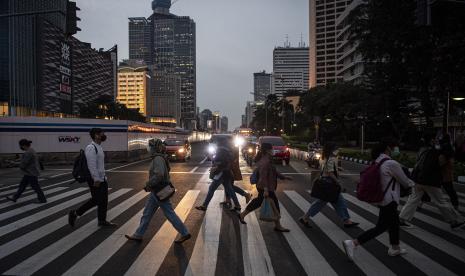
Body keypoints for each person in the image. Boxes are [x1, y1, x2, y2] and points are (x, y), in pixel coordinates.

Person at [343, 138, 415, 261]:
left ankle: (395, 248)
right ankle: (354, 243)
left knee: (393, 224)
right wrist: (413, 183)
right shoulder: (391, 163)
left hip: (382, 198)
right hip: (390, 199)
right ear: (388, 148)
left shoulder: (377, 162)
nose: (395, 150)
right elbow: (405, 181)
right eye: (394, 147)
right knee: (381, 227)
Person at [125, 139, 191, 243]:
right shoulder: (159, 158)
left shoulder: (158, 159)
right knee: (147, 213)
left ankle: (184, 232)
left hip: (159, 191)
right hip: (156, 191)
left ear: (154, 148)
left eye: (150, 146)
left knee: (169, 213)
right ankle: (138, 234)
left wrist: (148, 184)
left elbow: (159, 175)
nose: (149, 149)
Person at [399, 132, 465, 229]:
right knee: (441, 201)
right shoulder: (441, 151)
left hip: (418, 178)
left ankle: (402, 219)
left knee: (413, 199)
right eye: (435, 138)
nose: (436, 140)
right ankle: (455, 221)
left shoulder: (425, 149)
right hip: (429, 180)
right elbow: (439, 164)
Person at [299, 143, 359, 228]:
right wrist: (338, 182)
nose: (338, 151)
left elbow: (325, 169)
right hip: (330, 184)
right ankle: (305, 217)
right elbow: (330, 173)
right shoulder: (331, 159)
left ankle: (346, 220)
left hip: (326, 183)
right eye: (336, 149)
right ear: (332, 150)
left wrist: (338, 169)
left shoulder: (324, 158)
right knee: (325, 203)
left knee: (334, 202)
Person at [238, 143, 292, 232]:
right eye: (271, 149)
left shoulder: (266, 160)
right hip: (265, 187)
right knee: (275, 205)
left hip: (263, 186)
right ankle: (278, 225)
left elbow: (273, 172)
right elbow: (263, 177)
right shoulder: (265, 161)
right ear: (267, 150)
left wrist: (284, 177)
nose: (273, 151)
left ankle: (242, 215)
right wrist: (266, 190)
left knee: (258, 201)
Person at [68, 128, 116, 228]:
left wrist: (103, 177)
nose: (103, 135)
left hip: (102, 178)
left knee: (103, 201)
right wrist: (96, 179)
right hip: (95, 179)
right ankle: (75, 213)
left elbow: (99, 165)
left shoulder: (99, 147)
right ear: (96, 135)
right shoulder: (91, 147)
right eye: (101, 133)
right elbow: (91, 165)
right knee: (97, 200)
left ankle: (102, 220)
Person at [195, 137, 241, 211]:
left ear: (219, 143)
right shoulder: (228, 150)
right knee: (230, 189)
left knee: (212, 188)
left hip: (221, 173)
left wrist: (211, 159)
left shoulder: (221, 150)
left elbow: (218, 161)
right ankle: (237, 205)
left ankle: (204, 206)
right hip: (226, 172)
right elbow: (230, 160)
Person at [6, 139, 46, 203]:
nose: (20, 147)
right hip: (29, 173)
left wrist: (13, 163)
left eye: (20, 146)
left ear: (24, 145)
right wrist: (15, 161)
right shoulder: (31, 150)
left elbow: (23, 164)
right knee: (22, 186)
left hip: (31, 173)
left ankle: (42, 199)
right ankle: (15, 197)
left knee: (35, 187)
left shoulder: (28, 152)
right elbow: (23, 159)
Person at [221, 139, 252, 208]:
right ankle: (228, 199)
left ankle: (245, 195)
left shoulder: (232, 149)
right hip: (229, 169)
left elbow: (232, 160)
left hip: (230, 170)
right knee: (227, 185)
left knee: (229, 186)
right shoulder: (231, 148)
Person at [439, 134, 460, 211]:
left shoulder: (444, 150)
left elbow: (440, 163)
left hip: (443, 175)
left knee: (432, 189)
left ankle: (454, 206)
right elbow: (451, 162)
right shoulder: (450, 148)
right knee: (450, 191)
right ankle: (455, 205)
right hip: (447, 174)